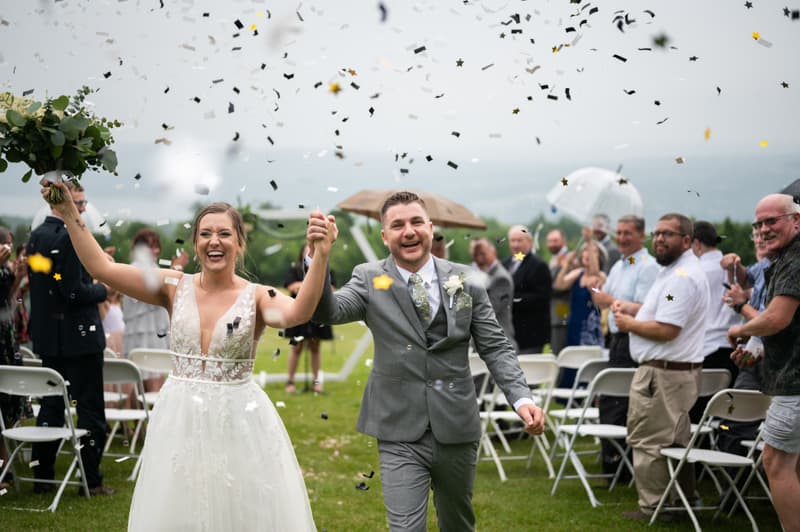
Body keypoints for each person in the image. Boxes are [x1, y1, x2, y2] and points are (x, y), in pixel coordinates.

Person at [41, 180, 335, 530]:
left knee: (237, 508)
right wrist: (70, 214)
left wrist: (321, 255)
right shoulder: (172, 286)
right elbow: (102, 270)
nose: (215, 241)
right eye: (206, 233)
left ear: (239, 244)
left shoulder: (258, 296)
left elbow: (299, 313)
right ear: (196, 244)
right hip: (179, 416)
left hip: (238, 419)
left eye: (224, 234)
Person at [312, 191, 545, 532]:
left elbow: (495, 346)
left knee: (458, 524)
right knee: (405, 528)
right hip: (398, 428)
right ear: (385, 235)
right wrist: (319, 257)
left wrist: (521, 398)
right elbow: (327, 311)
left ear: (430, 228)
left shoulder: (465, 279)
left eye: (416, 222)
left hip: (456, 425)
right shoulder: (367, 276)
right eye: (398, 225)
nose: (408, 231)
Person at [613, 213, 710, 521]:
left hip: (663, 373)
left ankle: (655, 507)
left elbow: (668, 329)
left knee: (650, 441)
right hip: (675, 373)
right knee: (675, 441)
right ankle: (682, 501)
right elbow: (666, 312)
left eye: (668, 234)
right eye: (657, 233)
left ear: (686, 240)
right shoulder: (677, 272)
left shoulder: (681, 277)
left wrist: (629, 323)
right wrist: (637, 310)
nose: (659, 239)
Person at [25, 182, 113, 496]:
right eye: (79, 202)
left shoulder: (36, 237)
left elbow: (44, 284)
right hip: (80, 339)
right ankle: (91, 479)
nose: (85, 208)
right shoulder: (71, 237)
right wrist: (105, 289)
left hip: (49, 338)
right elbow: (73, 292)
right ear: (63, 204)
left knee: (50, 407)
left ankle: (43, 477)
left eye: (85, 201)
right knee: (89, 410)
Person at [727, 194, 800, 532]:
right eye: (759, 223)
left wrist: (742, 327)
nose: (764, 229)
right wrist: (755, 346)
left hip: (795, 384)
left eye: (773, 221)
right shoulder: (781, 260)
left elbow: (777, 319)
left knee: (775, 461)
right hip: (787, 376)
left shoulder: (796, 259)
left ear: (796, 221)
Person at [590, 215, 658, 479]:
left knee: (622, 403)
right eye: (618, 232)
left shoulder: (647, 266)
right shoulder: (619, 266)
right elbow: (604, 299)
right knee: (610, 402)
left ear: (642, 236)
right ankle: (612, 465)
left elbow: (648, 309)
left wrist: (611, 300)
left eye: (627, 233)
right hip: (616, 340)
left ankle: (622, 469)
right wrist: (600, 295)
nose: (621, 238)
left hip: (635, 339)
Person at [122, 228, 187, 393]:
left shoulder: (151, 267)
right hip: (143, 332)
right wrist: (177, 268)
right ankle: (144, 416)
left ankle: (140, 416)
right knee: (150, 382)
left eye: (157, 245)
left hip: (154, 330)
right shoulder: (137, 268)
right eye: (151, 246)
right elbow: (158, 290)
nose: (156, 250)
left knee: (147, 379)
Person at [689, 221, 741, 422]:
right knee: (722, 415)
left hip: (706, 348)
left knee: (697, 415)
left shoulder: (695, 271)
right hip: (732, 348)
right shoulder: (735, 268)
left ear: (697, 243)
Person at [284, 244, 335, 393]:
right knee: (296, 347)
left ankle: (316, 382)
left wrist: (308, 286)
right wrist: (312, 285)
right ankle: (290, 382)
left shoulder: (326, 268)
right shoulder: (295, 270)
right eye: (307, 251)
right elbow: (291, 286)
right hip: (297, 313)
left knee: (315, 348)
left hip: (318, 313)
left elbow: (331, 289)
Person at [0, 227, 28, 490]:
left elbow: (8, 304)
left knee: (7, 406)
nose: (9, 249)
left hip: (7, 340)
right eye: (6, 245)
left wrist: (18, 280)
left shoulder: (6, 270)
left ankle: (5, 467)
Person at [553, 227, 607, 348]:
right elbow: (559, 285)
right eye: (586, 250)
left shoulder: (601, 276)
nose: (588, 253)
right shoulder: (578, 272)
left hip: (591, 326)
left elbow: (594, 274)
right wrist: (566, 265)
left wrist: (589, 241)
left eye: (593, 251)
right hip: (575, 322)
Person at [502, 225, 552, 353]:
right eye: (512, 241)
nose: (515, 245)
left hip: (530, 334)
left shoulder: (539, 265)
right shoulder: (505, 264)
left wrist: (512, 300)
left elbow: (542, 297)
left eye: (520, 240)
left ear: (529, 242)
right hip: (508, 332)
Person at [469, 237, 515, 351]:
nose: (478, 257)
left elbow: (489, 310)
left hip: (498, 343)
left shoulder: (501, 278)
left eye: (482, 253)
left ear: (493, 251)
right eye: (475, 254)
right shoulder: (479, 274)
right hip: (483, 342)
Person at [546, 229, 570, 356]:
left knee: (559, 354)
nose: (552, 244)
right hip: (553, 314)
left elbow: (557, 287)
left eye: (555, 241)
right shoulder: (553, 259)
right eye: (549, 241)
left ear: (563, 241)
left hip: (561, 314)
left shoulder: (569, 259)